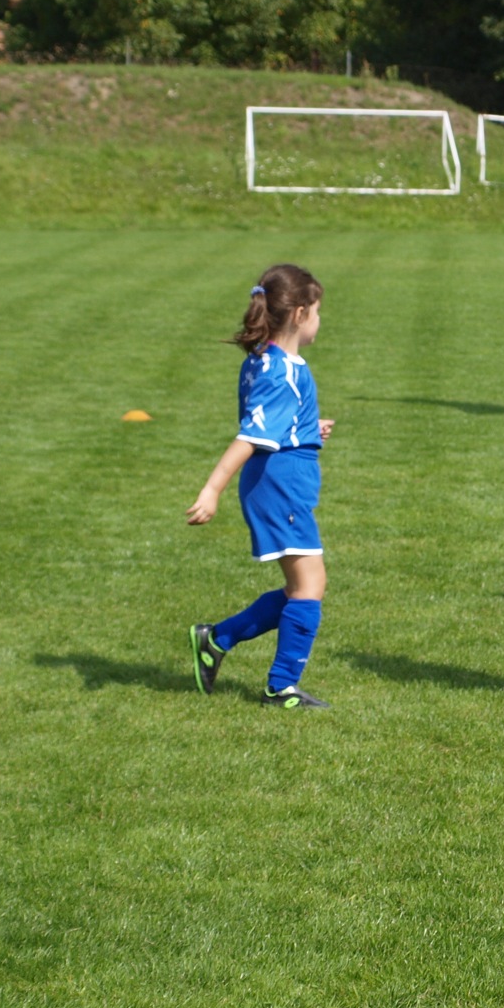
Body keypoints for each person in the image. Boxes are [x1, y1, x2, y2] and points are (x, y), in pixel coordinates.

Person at [186, 265, 336, 710]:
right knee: (310, 584)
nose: (319, 321)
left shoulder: (264, 359)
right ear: (300, 314)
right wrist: (212, 489)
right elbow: (250, 436)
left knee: (299, 587)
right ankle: (281, 687)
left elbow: (272, 419)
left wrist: (307, 427)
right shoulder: (279, 371)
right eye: (318, 313)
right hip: (280, 485)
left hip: (281, 481)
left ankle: (217, 639)